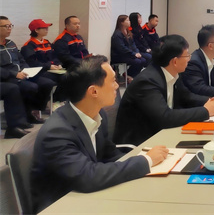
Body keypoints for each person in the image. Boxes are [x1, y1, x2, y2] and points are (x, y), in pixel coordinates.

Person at [30, 55, 169, 213]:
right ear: (94, 91)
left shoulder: (97, 114)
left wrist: (150, 166)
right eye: (113, 81)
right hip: (62, 205)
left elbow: (110, 155)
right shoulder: (57, 133)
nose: (117, 86)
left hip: (88, 195)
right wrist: (146, 161)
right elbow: (88, 177)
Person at [114, 34, 214, 146]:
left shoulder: (172, 73)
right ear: (175, 61)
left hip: (162, 134)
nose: (189, 59)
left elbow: (187, 96)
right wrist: (205, 111)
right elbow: (165, 117)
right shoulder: (147, 81)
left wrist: (210, 101)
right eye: (187, 55)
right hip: (141, 143)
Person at [1, 16, 55, 124]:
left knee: (47, 83)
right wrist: (15, 74)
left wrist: (27, 70)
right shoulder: (29, 45)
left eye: (10, 26)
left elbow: (21, 59)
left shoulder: (11, 43)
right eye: (6, 26)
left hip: (22, 73)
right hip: (8, 77)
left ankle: (34, 110)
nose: (9, 28)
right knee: (30, 87)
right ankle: (25, 116)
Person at [21, 19, 66, 100]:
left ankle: (57, 99)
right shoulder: (28, 46)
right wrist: (48, 66)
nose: (47, 29)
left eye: (47, 27)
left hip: (51, 69)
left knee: (69, 76)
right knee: (57, 79)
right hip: (40, 71)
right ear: (36, 30)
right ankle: (49, 101)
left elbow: (54, 56)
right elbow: (31, 63)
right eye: (44, 28)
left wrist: (58, 64)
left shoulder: (47, 42)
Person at [110, 14, 148, 79]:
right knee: (138, 61)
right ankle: (129, 75)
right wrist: (133, 54)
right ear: (122, 22)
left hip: (129, 54)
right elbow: (121, 48)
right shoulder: (117, 34)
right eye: (127, 20)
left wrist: (137, 52)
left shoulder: (128, 32)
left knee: (143, 60)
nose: (129, 22)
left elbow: (133, 44)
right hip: (120, 55)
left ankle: (130, 75)